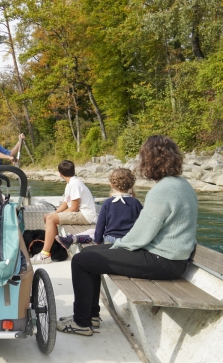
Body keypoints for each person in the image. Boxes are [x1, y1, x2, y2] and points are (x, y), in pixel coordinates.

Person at [57, 135, 197, 336]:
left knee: (81, 260)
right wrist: (108, 248)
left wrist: (114, 246)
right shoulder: (183, 185)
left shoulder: (162, 190)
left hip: (161, 259)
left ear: (150, 160)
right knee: (93, 256)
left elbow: (140, 236)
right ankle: (91, 316)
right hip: (172, 258)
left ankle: (82, 322)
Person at [31, 160, 97, 264]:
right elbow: (66, 203)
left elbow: (74, 207)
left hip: (85, 215)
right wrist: (54, 213)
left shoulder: (75, 184)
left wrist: (55, 217)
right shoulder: (70, 183)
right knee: (48, 217)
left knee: (51, 219)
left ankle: (45, 254)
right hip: (79, 213)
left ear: (60, 174)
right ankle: (56, 247)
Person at [56, 168, 143, 247]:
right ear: (131, 185)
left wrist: (98, 241)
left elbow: (100, 225)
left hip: (110, 239)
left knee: (97, 234)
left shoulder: (108, 203)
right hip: (128, 239)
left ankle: (74, 238)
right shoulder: (136, 203)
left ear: (111, 185)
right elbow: (141, 223)